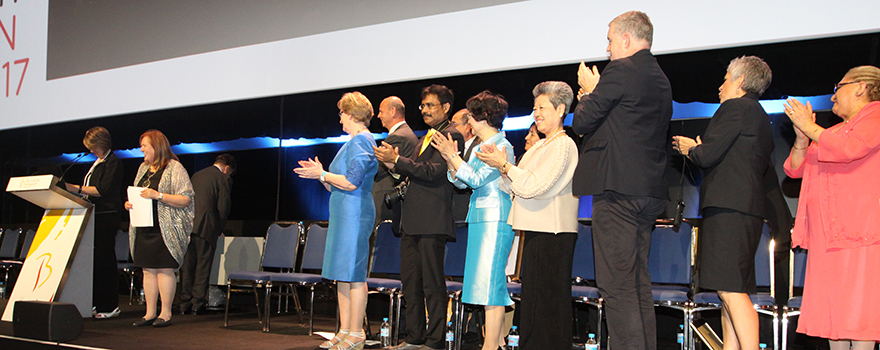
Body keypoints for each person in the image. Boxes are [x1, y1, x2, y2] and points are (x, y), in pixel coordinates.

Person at [570, 11, 672, 350]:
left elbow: (582, 122)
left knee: (616, 286)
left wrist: (587, 91)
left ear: (627, 40)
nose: (609, 48)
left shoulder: (621, 70)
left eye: (611, 40)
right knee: (637, 283)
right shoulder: (660, 78)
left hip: (618, 191)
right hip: (649, 191)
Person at [672, 56, 774, 350]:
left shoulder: (734, 107)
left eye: (726, 79)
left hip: (729, 208)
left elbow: (707, 156)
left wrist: (694, 148)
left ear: (740, 82)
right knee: (730, 289)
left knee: (730, 291)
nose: (720, 87)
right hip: (745, 208)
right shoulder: (757, 114)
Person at [782, 65, 880, 350]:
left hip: (860, 233)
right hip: (828, 237)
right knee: (832, 317)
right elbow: (796, 169)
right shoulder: (836, 131)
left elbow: (850, 149)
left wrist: (812, 128)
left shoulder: (875, 117)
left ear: (860, 87)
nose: (833, 96)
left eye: (839, 88)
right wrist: (802, 139)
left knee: (859, 315)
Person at [476, 81, 578, 350]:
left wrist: (506, 165)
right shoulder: (537, 148)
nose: (536, 114)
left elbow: (536, 187)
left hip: (554, 232)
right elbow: (514, 188)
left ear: (560, 109)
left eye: (542, 107)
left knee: (550, 303)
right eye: (535, 108)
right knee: (533, 302)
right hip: (534, 229)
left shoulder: (564, 145)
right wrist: (502, 168)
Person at [374, 84, 464, 350]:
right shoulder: (427, 136)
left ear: (446, 107)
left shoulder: (451, 134)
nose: (424, 110)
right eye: (422, 106)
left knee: (432, 283)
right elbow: (412, 171)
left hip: (432, 219)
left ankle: (435, 340)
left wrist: (398, 160)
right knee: (410, 281)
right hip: (412, 219)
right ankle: (414, 337)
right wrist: (392, 163)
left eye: (430, 106)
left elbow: (433, 171)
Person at [430, 91, 514, 350]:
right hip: (479, 217)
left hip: (496, 218)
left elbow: (478, 179)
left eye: (472, 116)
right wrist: (450, 158)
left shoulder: (502, 146)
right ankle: (497, 342)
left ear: (484, 117)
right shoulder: (477, 146)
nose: (468, 121)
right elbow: (461, 181)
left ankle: (490, 345)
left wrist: (453, 158)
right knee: (482, 282)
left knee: (491, 284)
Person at [294, 91, 378, 350]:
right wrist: (321, 176)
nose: (340, 117)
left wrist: (323, 174)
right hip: (343, 212)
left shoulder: (361, 141)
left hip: (355, 213)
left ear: (351, 114)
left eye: (342, 112)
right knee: (342, 273)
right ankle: (343, 330)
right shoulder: (351, 142)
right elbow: (336, 185)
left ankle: (357, 333)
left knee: (353, 273)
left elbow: (352, 183)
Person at [124, 129, 194, 328]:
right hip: (144, 228)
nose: (142, 149)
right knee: (148, 271)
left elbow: (186, 199)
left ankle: (166, 313)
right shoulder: (142, 168)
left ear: (157, 146)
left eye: (145, 145)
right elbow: (138, 193)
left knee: (164, 270)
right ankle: (149, 313)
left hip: (166, 230)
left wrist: (159, 195)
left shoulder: (175, 168)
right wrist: (129, 204)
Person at [64, 126, 124, 319]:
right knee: (95, 262)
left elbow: (102, 189)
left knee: (105, 260)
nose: (90, 151)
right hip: (94, 215)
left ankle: (109, 305)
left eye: (93, 147)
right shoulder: (97, 162)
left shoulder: (113, 162)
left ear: (102, 144)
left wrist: (75, 188)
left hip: (106, 216)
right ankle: (97, 303)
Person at [179, 153, 236, 315]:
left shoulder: (197, 175)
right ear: (227, 169)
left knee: (187, 267)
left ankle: (184, 303)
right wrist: (219, 229)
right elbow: (223, 207)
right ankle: (198, 304)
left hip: (188, 226)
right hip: (207, 227)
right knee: (203, 267)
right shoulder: (223, 178)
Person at [372, 96, 418, 235]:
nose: (378, 116)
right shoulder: (406, 134)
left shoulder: (398, 137)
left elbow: (377, 170)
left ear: (393, 111)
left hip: (387, 201)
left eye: (381, 111)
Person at [451, 108, 478, 221]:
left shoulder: (480, 147)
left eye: (454, 125)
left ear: (468, 126)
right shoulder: (452, 146)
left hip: (468, 211)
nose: (451, 129)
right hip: (452, 211)